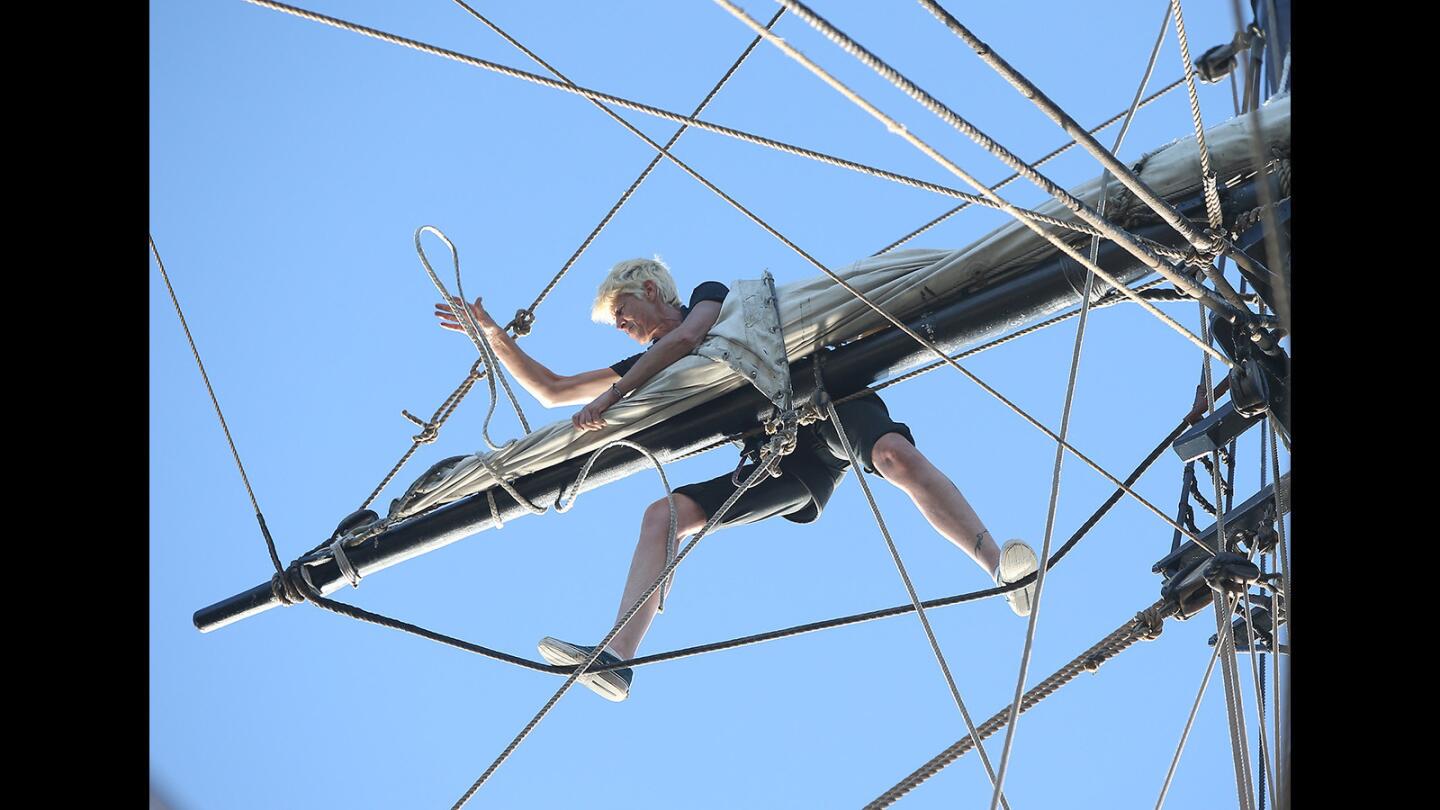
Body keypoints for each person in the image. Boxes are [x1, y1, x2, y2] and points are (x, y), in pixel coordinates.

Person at [436, 257, 1038, 702]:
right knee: (662, 515)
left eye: (624, 316)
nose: (624, 331)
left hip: (827, 401)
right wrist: (493, 334)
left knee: (893, 458)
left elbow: (688, 337)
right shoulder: (648, 361)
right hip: (778, 454)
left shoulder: (709, 297)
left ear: (650, 290)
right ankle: (618, 655)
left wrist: (620, 392)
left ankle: (998, 565)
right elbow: (556, 391)